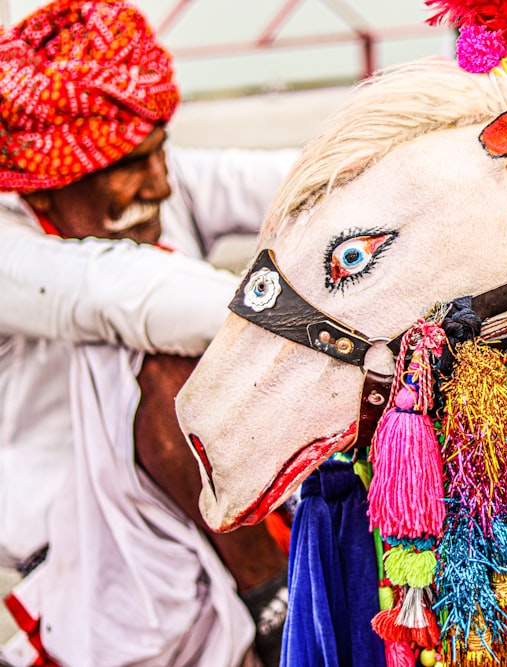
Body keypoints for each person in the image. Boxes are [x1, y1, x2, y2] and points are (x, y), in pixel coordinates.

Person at [0, 1, 299, 665]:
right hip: (104, 594)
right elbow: (129, 293)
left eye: (159, 151)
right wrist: (340, 330)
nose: (158, 183)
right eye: (132, 164)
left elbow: (306, 182)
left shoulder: (163, 178)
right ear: (43, 189)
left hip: (221, 531)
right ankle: (277, 599)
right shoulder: (13, 251)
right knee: (157, 351)